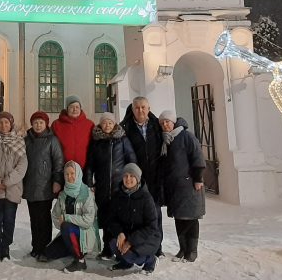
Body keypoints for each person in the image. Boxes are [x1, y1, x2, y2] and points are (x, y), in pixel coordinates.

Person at [85, 111, 136, 259]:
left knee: (121, 219)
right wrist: (89, 183)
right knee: (106, 219)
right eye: (104, 122)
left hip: (120, 187)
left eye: (110, 122)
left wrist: (131, 181)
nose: (107, 125)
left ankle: (122, 249)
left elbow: (131, 160)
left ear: (115, 124)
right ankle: (107, 248)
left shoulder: (123, 140)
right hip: (102, 188)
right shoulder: (96, 142)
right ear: (100, 124)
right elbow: (90, 165)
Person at [157, 110, 206, 263]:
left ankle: (192, 251)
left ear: (174, 122)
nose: (165, 124)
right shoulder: (166, 140)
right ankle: (182, 249)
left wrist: (198, 178)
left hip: (189, 184)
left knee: (190, 218)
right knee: (180, 218)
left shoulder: (186, 136)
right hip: (175, 187)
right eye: (163, 122)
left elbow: (197, 157)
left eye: (168, 121)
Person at [120, 96, 165, 257]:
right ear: (132, 110)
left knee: (156, 215)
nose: (140, 110)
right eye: (137, 108)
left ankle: (157, 248)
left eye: (143, 107)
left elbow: (174, 128)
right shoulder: (125, 128)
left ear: (149, 108)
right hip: (135, 180)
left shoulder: (157, 125)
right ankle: (137, 247)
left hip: (155, 177)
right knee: (138, 215)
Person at [0, 111, 28, 261]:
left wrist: (7, 181)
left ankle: (5, 248)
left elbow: (22, 165)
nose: (3, 125)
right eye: (1, 123)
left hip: (11, 189)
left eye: (6, 122)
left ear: (11, 124)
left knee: (9, 222)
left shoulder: (19, 141)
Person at [23, 110, 64, 261]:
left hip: (46, 186)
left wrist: (57, 181)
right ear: (32, 124)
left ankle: (45, 247)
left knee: (44, 219)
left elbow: (58, 162)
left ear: (46, 124)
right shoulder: (27, 140)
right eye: (35, 123)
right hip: (30, 186)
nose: (38, 125)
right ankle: (36, 247)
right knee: (33, 218)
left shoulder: (52, 140)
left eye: (41, 122)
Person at [45, 161, 100, 273]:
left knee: (66, 226)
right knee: (48, 253)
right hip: (69, 233)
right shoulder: (63, 195)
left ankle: (80, 260)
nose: (70, 177)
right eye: (67, 174)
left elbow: (88, 220)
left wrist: (67, 218)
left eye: (72, 173)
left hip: (85, 235)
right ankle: (73, 248)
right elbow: (55, 215)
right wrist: (60, 222)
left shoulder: (87, 193)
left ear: (78, 174)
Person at [108, 163, 162, 274]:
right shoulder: (118, 196)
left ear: (138, 178)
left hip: (147, 238)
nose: (128, 179)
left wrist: (130, 241)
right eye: (125, 176)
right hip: (128, 235)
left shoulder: (146, 198)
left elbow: (151, 227)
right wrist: (120, 233)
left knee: (131, 254)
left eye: (132, 176)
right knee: (114, 243)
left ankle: (150, 260)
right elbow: (112, 219)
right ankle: (126, 263)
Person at [51, 95, 94, 169]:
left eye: (77, 107)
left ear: (80, 109)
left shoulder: (89, 124)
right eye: (71, 107)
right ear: (67, 109)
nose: (75, 109)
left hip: (84, 168)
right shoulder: (56, 124)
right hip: (63, 167)